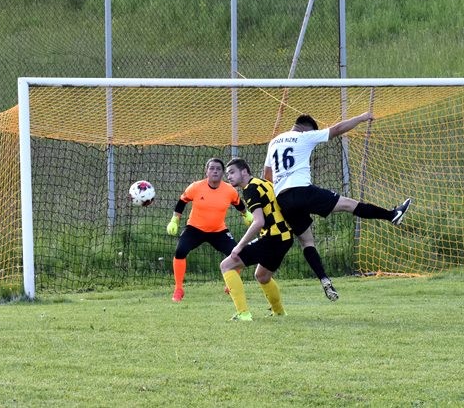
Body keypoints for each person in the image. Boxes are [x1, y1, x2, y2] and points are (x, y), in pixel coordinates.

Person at [264, 112, 411, 301]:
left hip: (283, 199)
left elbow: (267, 175)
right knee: (349, 205)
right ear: (307, 128)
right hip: (303, 191)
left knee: (307, 242)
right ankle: (392, 215)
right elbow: (337, 129)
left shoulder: (274, 142)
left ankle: (324, 279)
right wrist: (362, 117)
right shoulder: (305, 136)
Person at [166, 158, 250, 302]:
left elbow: (238, 204)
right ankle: (178, 289)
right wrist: (174, 220)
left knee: (239, 254)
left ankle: (230, 284)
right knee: (180, 251)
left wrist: (246, 215)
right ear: (206, 171)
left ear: (223, 173)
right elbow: (182, 202)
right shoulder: (195, 187)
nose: (215, 171)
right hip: (194, 229)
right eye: (212, 168)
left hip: (218, 231)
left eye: (218, 169)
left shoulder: (229, 190)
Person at [221, 158, 295, 321]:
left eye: (232, 172)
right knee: (262, 276)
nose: (229, 177)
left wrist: (239, 246)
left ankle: (243, 314)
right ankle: (279, 312)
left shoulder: (250, 189)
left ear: (244, 172)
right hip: (286, 237)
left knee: (226, 265)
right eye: (228, 174)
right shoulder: (262, 182)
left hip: (273, 238)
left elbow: (258, 222)